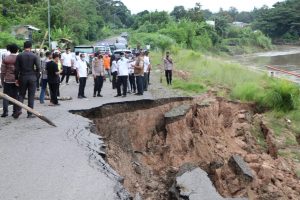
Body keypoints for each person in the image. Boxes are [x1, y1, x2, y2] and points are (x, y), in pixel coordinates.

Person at [15, 41, 40, 118]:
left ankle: (19, 110)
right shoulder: (34, 56)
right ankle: (30, 113)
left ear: (23, 47)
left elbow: (16, 69)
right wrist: (36, 76)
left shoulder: (19, 56)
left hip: (22, 77)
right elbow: (38, 68)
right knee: (31, 96)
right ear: (31, 47)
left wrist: (16, 78)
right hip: (32, 77)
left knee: (21, 94)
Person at [1, 44, 19, 117]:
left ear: (9, 50)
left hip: (7, 80)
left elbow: (2, 71)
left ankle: (5, 112)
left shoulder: (6, 59)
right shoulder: (19, 58)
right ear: (17, 50)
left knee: (5, 96)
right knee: (15, 96)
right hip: (16, 80)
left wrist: (2, 81)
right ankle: (15, 112)